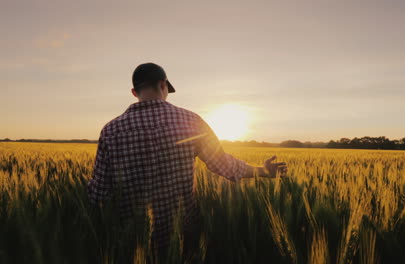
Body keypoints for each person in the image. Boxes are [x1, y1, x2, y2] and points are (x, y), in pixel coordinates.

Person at [87, 62, 288, 261]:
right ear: (163, 85)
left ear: (134, 92)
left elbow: (98, 194)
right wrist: (262, 170)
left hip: (134, 240)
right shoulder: (190, 120)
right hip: (183, 233)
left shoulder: (110, 131)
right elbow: (222, 164)